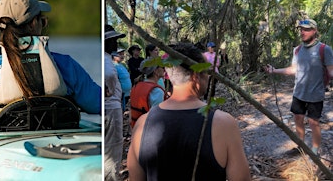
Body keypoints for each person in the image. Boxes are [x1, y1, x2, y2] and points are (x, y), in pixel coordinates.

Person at [0, 0, 101, 132]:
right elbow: (96, 104)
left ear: (0, 26)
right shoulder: (65, 63)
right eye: (43, 19)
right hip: (57, 134)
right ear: (35, 23)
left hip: (3, 140)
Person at [127, 42, 250, 181]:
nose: (209, 77)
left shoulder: (142, 124)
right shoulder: (223, 124)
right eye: (206, 72)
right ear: (196, 76)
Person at [265, 18, 333, 155]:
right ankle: (300, 147)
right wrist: (275, 70)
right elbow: (293, 69)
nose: (303, 32)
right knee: (298, 119)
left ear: (315, 31)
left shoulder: (324, 49)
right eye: (301, 29)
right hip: (299, 93)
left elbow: (331, 71)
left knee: (314, 123)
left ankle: (315, 151)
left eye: (306, 30)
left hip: (315, 94)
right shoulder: (297, 50)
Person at [104, 24, 125, 181]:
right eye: (113, 40)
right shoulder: (105, 58)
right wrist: (110, 89)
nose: (115, 44)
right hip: (111, 107)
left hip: (110, 106)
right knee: (113, 148)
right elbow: (110, 74)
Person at [129, 59, 167, 128]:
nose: (164, 69)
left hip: (136, 127)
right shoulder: (156, 91)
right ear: (155, 71)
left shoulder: (136, 86)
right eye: (162, 67)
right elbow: (157, 117)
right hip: (149, 130)